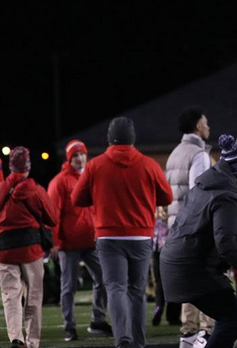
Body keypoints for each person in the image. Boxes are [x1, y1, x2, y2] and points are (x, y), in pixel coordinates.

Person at [159, 135, 237, 348]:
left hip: (177, 263)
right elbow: (227, 245)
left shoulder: (208, 185)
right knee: (234, 319)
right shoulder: (227, 197)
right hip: (193, 269)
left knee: (230, 317)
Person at [73, 117, 175, 348]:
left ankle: (123, 340)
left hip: (108, 236)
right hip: (140, 235)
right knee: (137, 291)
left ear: (110, 138)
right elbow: (167, 197)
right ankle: (137, 342)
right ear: (132, 137)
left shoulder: (95, 165)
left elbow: (77, 198)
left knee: (116, 288)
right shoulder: (149, 164)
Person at [0, 147, 56, 348]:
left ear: (10, 166)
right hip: (31, 250)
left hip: (4, 251)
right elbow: (53, 218)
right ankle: (32, 342)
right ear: (28, 167)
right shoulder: (36, 190)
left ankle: (16, 338)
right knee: (33, 297)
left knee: (11, 296)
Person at [48, 140, 111, 341]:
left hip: (92, 240)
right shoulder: (60, 181)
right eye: (75, 155)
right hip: (69, 243)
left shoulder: (91, 177)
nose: (79, 158)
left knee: (104, 279)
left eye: (82, 154)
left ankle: (98, 320)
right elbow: (53, 215)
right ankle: (69, 326)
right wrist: (55, 242)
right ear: (69, 159)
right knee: (68, 286)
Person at [164, 107, 214, 341]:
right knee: (207, 277)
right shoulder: (199, 154)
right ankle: (207, 330)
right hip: (195, 225)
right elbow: (199, 193)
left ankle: (189, 330)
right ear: (197, 126)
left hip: (176, 225)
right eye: (205, 123)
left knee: (188, 278)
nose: (208, 127)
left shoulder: (174, 153)